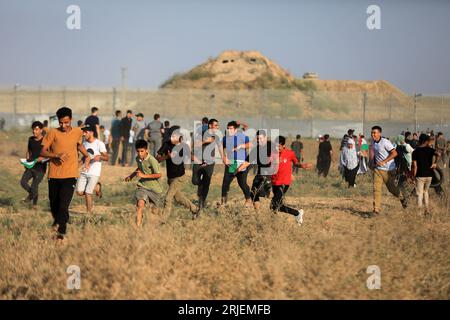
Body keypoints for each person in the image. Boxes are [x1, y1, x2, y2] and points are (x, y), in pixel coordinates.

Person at [40, 106, 91, 243]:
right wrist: (56, 155)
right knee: (55, 206)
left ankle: (60, 234)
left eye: (66, 122)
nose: (63, 125)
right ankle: (62, 222)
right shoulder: (52, 133)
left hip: (70, 174)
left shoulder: (77, 132)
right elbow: (42, 151)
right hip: (54, 175)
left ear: (71, 120)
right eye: (61, 122)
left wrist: (87, 156)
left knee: (63, 205)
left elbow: (78, 145)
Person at [156, 126, 198, 220]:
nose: (172, 138)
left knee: (168, 197)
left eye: (174, 136)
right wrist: (167, 156)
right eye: (171, 136)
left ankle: (162, 220)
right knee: (178, 198)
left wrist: (201, 162)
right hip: (170, 178)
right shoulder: (166, 145)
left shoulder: (184, 146)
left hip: (180, 177)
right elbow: (157, 160)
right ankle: (195, 209)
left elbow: (191, 157)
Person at [125, 139, 164, 227]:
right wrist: (131, 176)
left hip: (155, 189)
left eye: (142, 151)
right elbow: (140, 168)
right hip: (142, 186)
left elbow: (159, 174)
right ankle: (137, 227)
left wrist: (144, 176)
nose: (140, 154)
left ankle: (154, 227)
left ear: (146, 150)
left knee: (154, 212)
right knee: (140, 204)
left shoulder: (152, 160)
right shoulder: (138, 158)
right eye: (138, 151)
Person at [237, 130, 277, 211]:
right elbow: (247, 162)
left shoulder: (270, 145)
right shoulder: (256, 149)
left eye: (261, 138)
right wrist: (238, 169)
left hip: (269, 173)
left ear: (265, 138)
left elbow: (276, 157)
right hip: (260, 173)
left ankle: (273, 194)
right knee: (253, 194)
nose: (259, 140)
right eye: (258, 139)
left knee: (259, 191)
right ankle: (257, 213)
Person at [370, 125, 407, 215]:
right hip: (378, 169)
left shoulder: (385, 142)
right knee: (376, 189)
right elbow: (372, 152)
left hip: (388, 170)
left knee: (392, 189)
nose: (373, 134)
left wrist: (384, 161)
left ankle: (402, 198)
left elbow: (394, 153)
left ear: (379, 133)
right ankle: (376, 209)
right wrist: (371, 162)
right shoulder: (373, 142)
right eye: (372, 133)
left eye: (374, 133)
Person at [270, 136, 305, 225]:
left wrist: (302, 166)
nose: (277, 148)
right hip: (274, 182)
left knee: (273, 204)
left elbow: (296, 163)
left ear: (284, 146)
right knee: (279, 206)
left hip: (284, 183)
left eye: (279, 147)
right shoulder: (272, 154)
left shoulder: (290, 153)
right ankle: (297, 213)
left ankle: (272, 223)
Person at [76, 125, 108, 215]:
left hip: (94, 172)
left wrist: (100, 157)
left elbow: (107, 157)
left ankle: (89, 214)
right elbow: (84, 158)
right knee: (79, 192)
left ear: (92, 133)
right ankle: (96, 187)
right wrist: (77, 166)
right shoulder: (84, 143)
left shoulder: (99, 143)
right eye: (83, 132)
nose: (84, 134)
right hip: (85, 170)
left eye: (86, 132)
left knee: (87, 192)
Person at [191, 118, 222, 215]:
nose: (217, 127)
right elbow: (195, 145)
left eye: (218, 125)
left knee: (207, 183)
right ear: (210, 126)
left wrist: (224, 158)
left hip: (209, 162)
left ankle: (201, 203)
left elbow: (219, 145)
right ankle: (200, 185)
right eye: (216, 125)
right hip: (198, 161)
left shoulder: (216, 136)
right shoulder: (201, 134)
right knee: (195, 181)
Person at [220, 121, 252, 207]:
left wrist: (241, 146)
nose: (229, 130)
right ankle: (223, 203)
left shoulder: (242, 136)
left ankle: (248, 199)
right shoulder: (225, 138)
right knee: (225, 183)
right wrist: (223, 158)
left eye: (231, 128)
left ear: (235, 129)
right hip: (231, 163)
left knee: (242, 183)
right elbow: (220, 148)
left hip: (241, 163)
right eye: (228, 128)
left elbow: (249, 144)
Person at [20, 121, 47, 209]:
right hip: (30, 166)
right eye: (33, 130)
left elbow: (49, 154)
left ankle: (34, 205)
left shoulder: (45, 140)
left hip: (40, 169)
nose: (34, 132)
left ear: (41, 130)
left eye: (36, 129)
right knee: (23, 182)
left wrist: (42, 159)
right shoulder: (30, 139)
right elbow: (29, 151)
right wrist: (26, 161)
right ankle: (32, 195)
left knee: (34, 185)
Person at [412, 134, 441, 215]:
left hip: (420, 175)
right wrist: (435, 163)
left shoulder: (415, 151)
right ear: (426, 141)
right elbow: (439, 154)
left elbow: (415, 166)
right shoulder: (431, 150)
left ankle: (419, 212)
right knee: (426, 191)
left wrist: (414, 176)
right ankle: (427, 210)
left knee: (419, 193)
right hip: (429, 175)